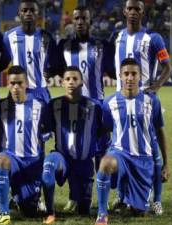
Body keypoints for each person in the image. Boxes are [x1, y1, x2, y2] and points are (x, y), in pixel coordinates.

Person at [113, 0, 172, 214]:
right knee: (121, 149)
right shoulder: (117, 37)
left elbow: (167, 67)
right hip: (121, 102)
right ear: (124, 11)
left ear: (142, 12)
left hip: (145, 101)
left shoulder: (153, 38)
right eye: (130, 8)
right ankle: (122, 197)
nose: (133, 12)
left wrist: (155, 86)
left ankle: (156, 200)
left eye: (137, 8)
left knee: (151, 151)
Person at [94, 58, 169, 225]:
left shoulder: (152, 101)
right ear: (120, 76)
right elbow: (106, 129)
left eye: (133, 74)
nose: (129, 77)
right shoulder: (109, 102)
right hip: (120, 155)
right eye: (126, 74)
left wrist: (166, 163)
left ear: (140, 76)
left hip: (143, 161)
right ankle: (102, 213)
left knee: (139, 212)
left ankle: (130, 197)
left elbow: (160, 132)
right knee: (106, 164)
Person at [57, 6, 115, 212]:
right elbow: (54, 68)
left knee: (101, 154)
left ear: (90, 21)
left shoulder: (102, 45)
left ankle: (102, 198)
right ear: (72, 22)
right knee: (74, 154)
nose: (80, 21)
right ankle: (74, 197)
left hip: (97, 108)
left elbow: (116, 72)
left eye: (84, 18)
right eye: (77, 18)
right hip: (74, 108)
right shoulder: (63, 46)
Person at [41, 67, 103, 224]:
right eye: (67, 79)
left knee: (84, 211)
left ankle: (79, 196)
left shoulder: (94, 107)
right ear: (62, 82)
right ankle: (50, 213)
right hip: (62, 158)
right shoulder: (53, 105)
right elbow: (44, 130)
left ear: (82, 83)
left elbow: (102, 133)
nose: (71, 82)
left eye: (75, 79)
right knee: (47, 169)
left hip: (83, 163)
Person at [0, 65, 49, 225]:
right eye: (12, 83)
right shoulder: (1, 106)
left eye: (19, 83)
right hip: (12, 160)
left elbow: (44, 136)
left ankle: (19, 197)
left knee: (30, 212)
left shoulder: (40, 106)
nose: (16, 87)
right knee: (1, 160)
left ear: (26, 84)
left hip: (32, 163)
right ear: (7, 84)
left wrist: (40, 165)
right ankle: (4, 212)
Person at [3, 0, 58, 103]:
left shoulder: (47, 37)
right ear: (19, 13)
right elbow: (1, 62)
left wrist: (50, 72)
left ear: (38, 13)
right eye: (25, 10)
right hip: (17, 91)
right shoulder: (8, 37)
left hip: (40, 92)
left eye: (32, 10)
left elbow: (57, 64)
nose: (28, 13)